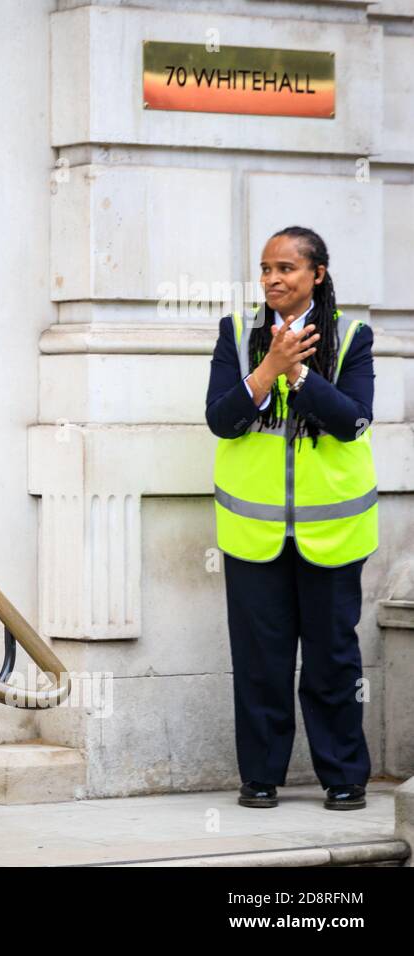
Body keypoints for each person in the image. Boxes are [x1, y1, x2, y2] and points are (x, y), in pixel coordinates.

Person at [205, 225, 376, 811]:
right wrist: (267, 369)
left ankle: (344, 776)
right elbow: (221, 420)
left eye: (287, 269)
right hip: (253, 532)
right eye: (265, 269)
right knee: (259, 661)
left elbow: (353, 421)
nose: (273, 279)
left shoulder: (352, 335)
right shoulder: (237, 333)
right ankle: (260, 777)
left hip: (333, 531)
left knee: (333, 661)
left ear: (317, 275)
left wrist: (300, 375)